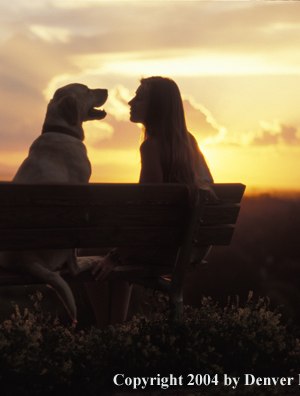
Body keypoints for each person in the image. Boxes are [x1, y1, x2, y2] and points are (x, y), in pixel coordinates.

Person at [82, 76, 215, 329]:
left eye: (139, 98)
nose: (130, 102)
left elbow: (147, 214)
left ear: (157, 107)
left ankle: (108, 336)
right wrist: (118, 254)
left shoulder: (152, 147)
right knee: (117, 252)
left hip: (169, 251)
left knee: (91, 259)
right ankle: (116, 331)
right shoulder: (189, 141)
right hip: (193, 249)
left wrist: (116, 256)